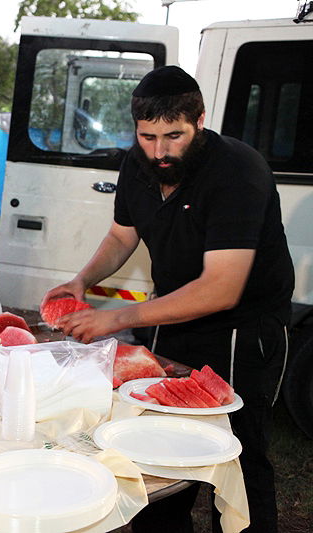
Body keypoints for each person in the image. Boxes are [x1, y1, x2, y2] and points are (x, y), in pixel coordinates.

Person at [45, 65, 293, 533]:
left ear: (200, 120)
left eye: (174, 136)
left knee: (239, 457)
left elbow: (221, 288)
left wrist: (117, 318)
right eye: (148, 137)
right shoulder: (137, 164)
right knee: (154, 446)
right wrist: (82, 280)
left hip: (242, 331)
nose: (160, 152)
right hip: (169, 317)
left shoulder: (238, 172)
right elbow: (122, 235)